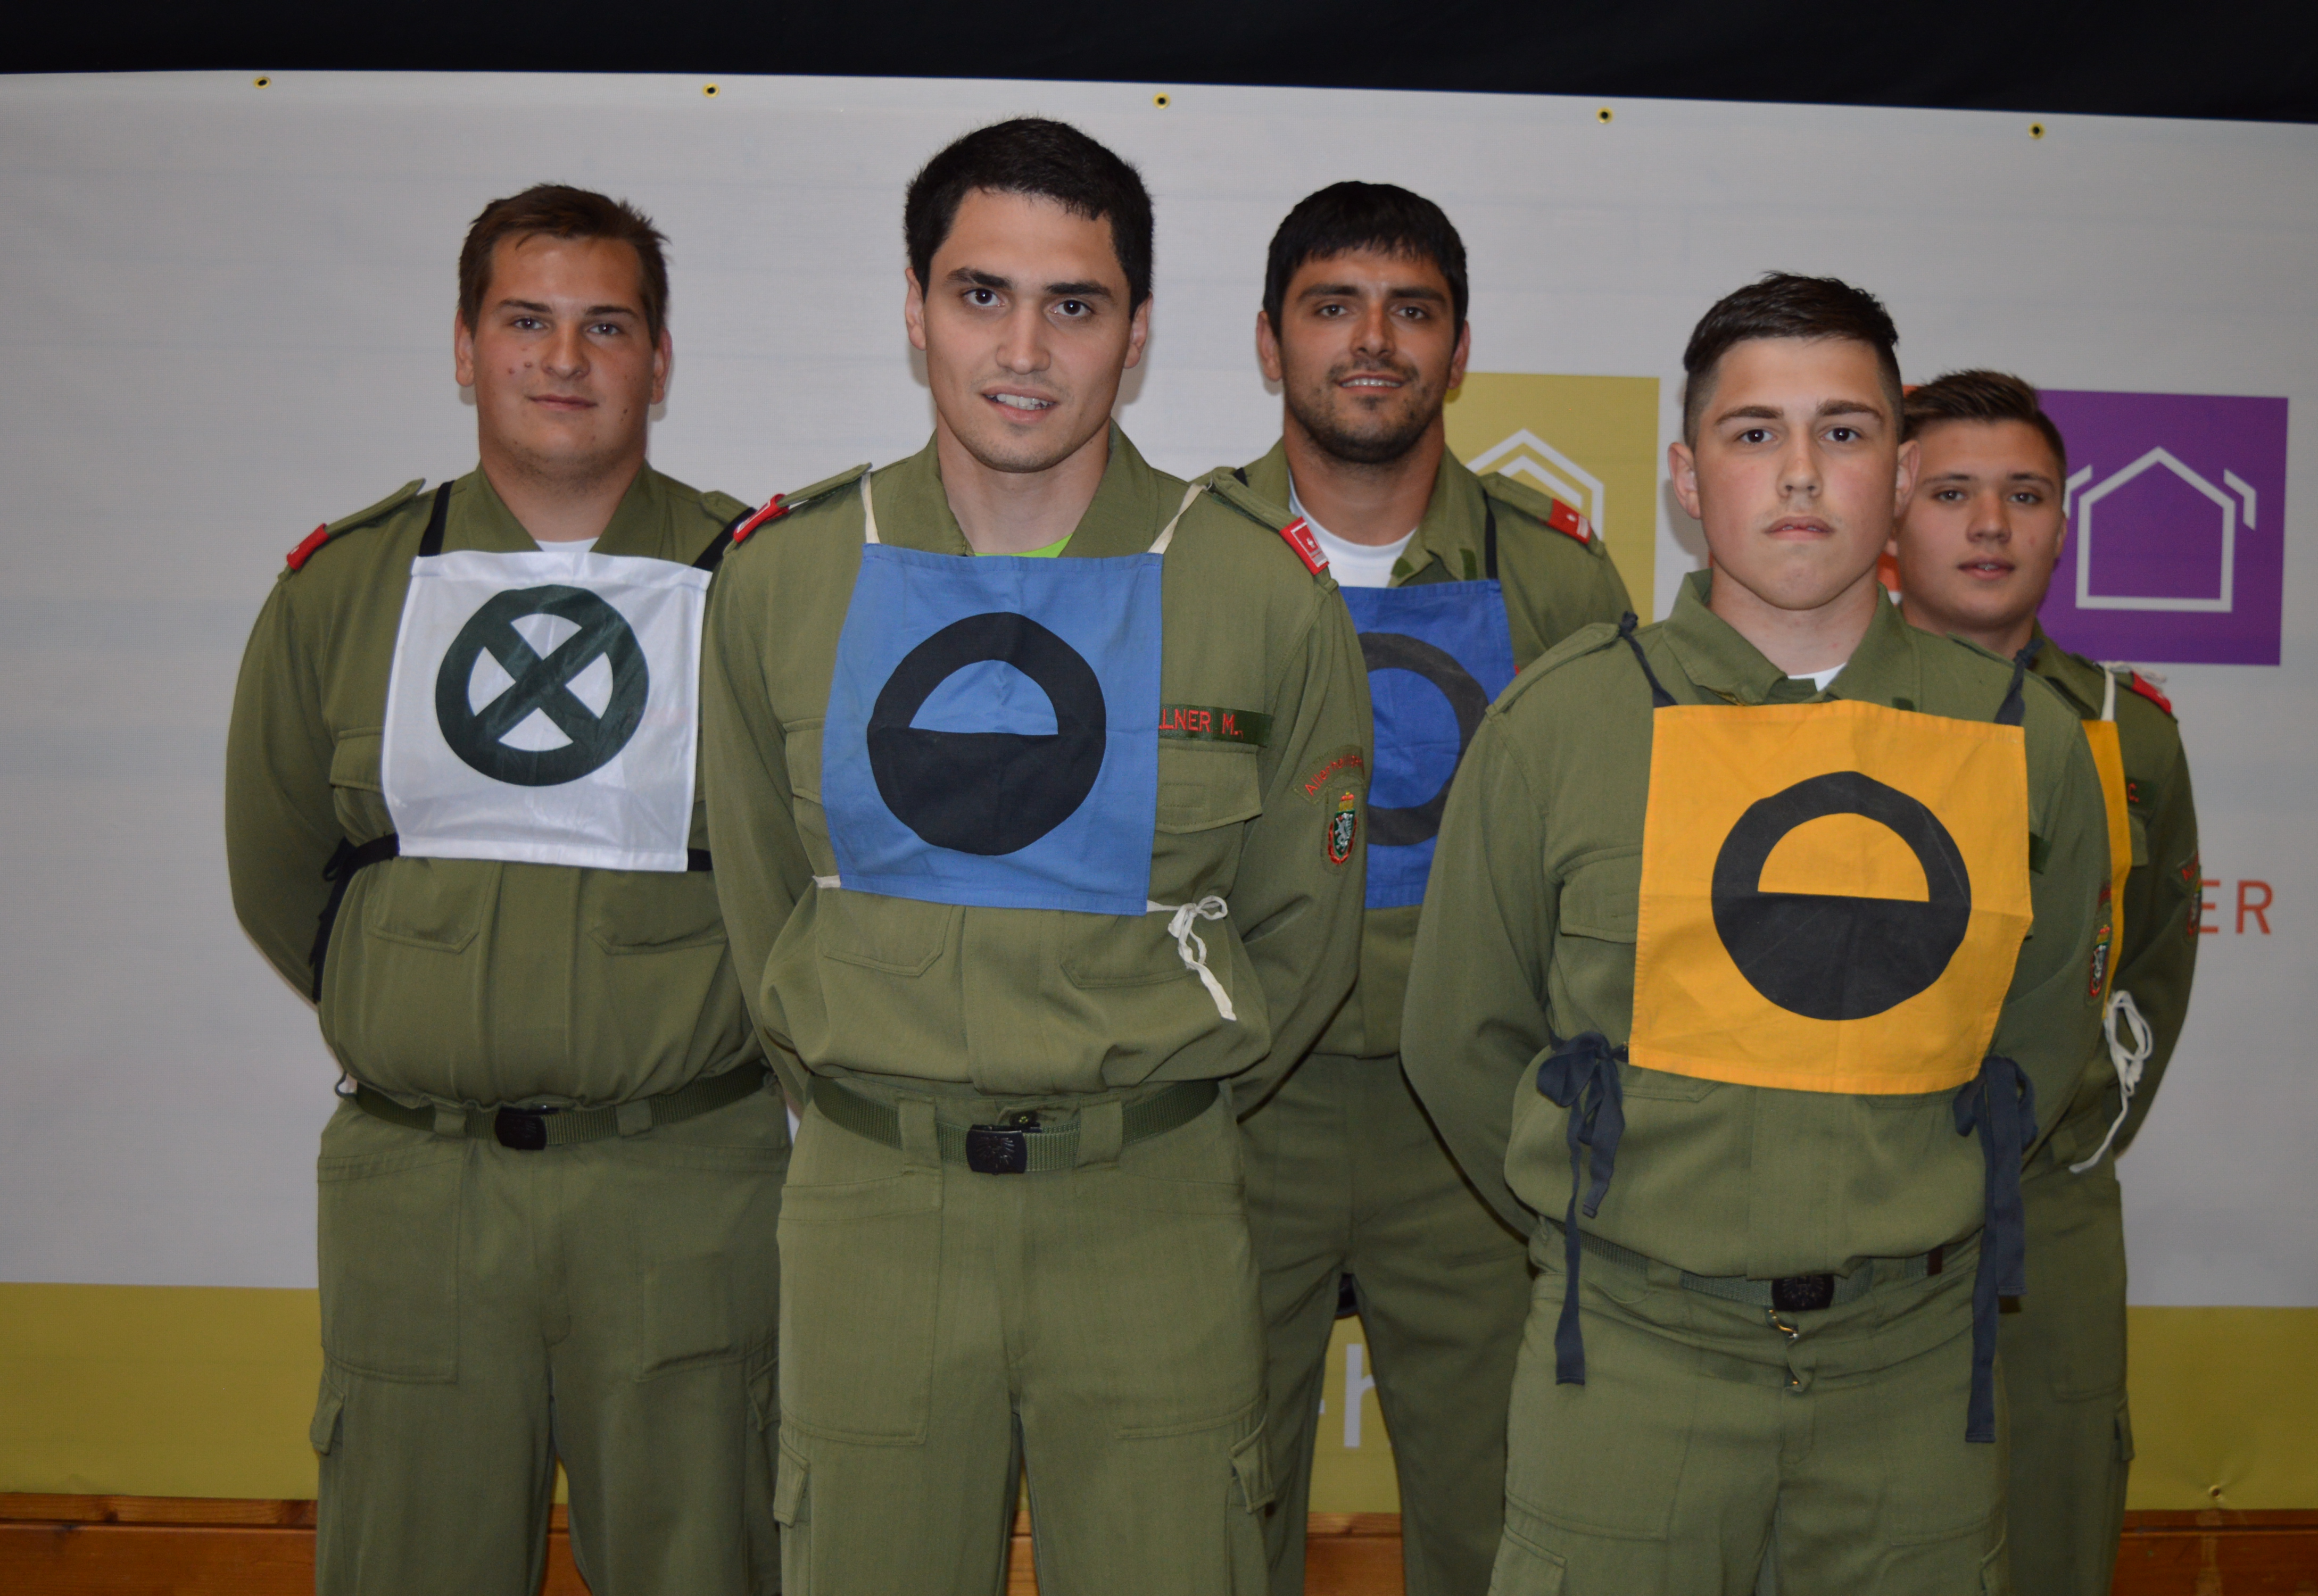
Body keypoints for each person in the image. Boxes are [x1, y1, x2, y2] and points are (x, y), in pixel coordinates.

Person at [700, 118, 1370, 1596]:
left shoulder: (1258, 593)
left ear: (1137, 331)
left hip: (1152, 1215)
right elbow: (761, 906)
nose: (1023, 350)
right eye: (979, 294)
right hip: (874, 1211)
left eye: (1074, 304)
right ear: (915, 309)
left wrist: (1150, 1108)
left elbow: (1303, 938)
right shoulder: (785, 577)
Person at [1403, 273, 2113, 1593]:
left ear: (1901, 475)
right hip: (1629, 1365)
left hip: (1913, 1380)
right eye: (1753, 434)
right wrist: (1626, 1225)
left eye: (1844, 432)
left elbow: (2042, 1048)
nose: (1800, 474)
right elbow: (1463, 1041)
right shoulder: (1563, 727)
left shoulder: (2026, 742)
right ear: (1687, 478)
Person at [225, 185, 784, 1596]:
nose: (565, 358)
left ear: (659, 359)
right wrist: (429, 1003)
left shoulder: (762, 588)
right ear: (466, 348)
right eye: (526, 321)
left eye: (607, 326)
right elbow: (281, 871)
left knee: (707, 1560)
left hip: (687, 1182)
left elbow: (808, 883)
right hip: (422, 1189)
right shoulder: (345, 588)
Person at [1218, 181, 1634, 1596]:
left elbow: (1609, 874)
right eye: (1332, 305)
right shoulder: (1180, 556)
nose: (1373, 340)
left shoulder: (1559, 580)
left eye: (1413, 309)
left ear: (1459, 351)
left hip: (1472, 1126)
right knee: (1210, 1513)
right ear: (1269, 341)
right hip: (1231, 1114)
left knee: (1502, 1517)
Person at [1892, 369, 2201, 1596]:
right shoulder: (1818, 713)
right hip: (1856, 1198)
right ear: (1889, 511)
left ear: (2064, 525)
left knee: (2053, 1519)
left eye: (2025, 496)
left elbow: (2152, 969)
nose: (1991, 526)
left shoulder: (2133, 730)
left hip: (2048, 1200)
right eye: (1952, 493)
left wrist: (2059, 1137)